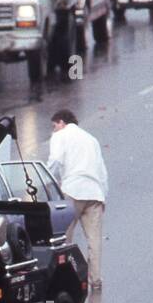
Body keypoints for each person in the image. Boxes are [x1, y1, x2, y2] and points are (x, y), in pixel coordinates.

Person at [47, 107, 108, 289]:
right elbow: (102, 171)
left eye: (54, 126)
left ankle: (64, 279)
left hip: (72, 191)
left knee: (64, 239)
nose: (53, 130)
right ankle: (95, 280)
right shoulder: (92, 140)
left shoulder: (60, 136)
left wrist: (47, 180)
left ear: (62, 123)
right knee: (94, 240)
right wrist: (103, 196)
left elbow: (56, 161)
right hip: (95, 192)